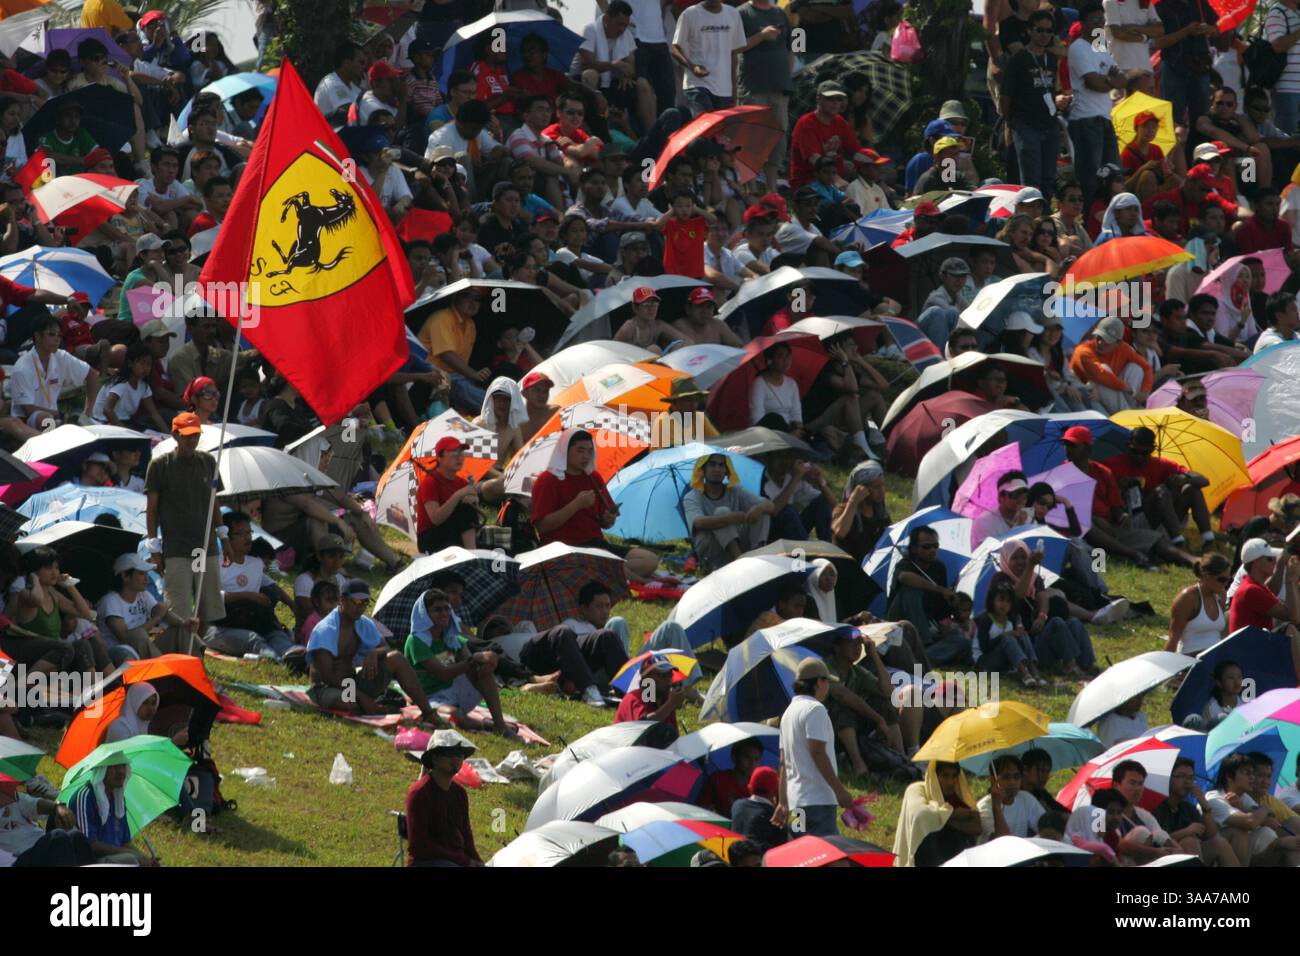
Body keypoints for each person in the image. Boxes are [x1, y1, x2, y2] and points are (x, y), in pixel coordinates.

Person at [306, 578, 441, 724]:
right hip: (327, 687)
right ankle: (377, 708)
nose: (361, 607)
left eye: (365, 602)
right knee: (350, 704)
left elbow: (387, 648)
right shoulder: (326, 630)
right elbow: (328, 677)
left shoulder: (363, 622)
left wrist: (374, 653)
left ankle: (428, 712)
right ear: (342, 600)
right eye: (356, 602)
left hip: (352, 682)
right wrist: (361, 697)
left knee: (395, 658)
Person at [145, 412, 223, 655]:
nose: (192, 440)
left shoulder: (208, 462)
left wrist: (224, 535)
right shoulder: (160, 465)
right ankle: (180, 655)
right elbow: (152, 509)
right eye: (187, 436)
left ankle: (194, 652)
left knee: (206, 605)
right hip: (176, 547)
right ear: (175, 435)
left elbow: (214, 501)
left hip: (205, 546)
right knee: (178, 608)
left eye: (196, 435)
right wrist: (154, 547)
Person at [405, 588, 510, 736]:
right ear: (425, 615)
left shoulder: (452, 638)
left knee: (483, 671)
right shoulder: (416, 641)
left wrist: (488, 661)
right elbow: (443, 674)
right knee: (455, 716)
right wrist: (476, 658)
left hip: (454, 690)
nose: (444, 613)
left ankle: (500, 724)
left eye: (447, 609)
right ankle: (487, 726)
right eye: (437, 610)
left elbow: (471, 664)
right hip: (430, 698)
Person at [773, 657, 854, 838]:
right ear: (819, 682)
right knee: (825, 854)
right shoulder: (815, 709)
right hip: (818, 801)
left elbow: (783, 762)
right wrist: (839, 791)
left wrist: (783, 801)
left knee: (800, 853)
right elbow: (817, 751)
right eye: (827, 682)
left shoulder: (787, 714)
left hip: (796, 805)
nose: (828, 688)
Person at [1102, 426, 1213, 547]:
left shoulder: (1161, 464)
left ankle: (1208, 539)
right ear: (1128, 446)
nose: (1139, 457)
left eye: (1144, 453)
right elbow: (1099, 493)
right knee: (1161, 491)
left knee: (1191, 488)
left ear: (1152, 450)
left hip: (1161, 519)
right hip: (1129, 520)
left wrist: (1183, 479)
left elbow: (1204, 480)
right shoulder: (1111, 464)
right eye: (1135, 452)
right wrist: (1118, 486)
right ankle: (1177, 542)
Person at [826, 628, 918, 768]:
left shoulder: (856, 672)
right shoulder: (826, 667)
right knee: (841, 708)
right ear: (837, 648)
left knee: (884, 703)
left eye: (859, 643)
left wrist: (874, 655)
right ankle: (858, 763)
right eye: (851, 643)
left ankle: (901, 757)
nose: (857, 647)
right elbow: (844, 696)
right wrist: (878, 719)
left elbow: (888, 692)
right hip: (828, 730)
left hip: (851, 728)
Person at [209, 511, 294, 661]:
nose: (247, 537)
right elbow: (211, 598)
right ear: (226, 538)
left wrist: (291, 605)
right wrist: (248, 595)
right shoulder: (215, 563)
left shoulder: (255, 564)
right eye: (240, 533)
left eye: (249, 532)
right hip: (222, 625)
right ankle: (276, 662)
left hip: (254, 620)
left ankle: (294, 658)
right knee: (254, 640)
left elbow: (273, 586)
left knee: (277, 635)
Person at [1069, 4, 1125, 208]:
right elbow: (1095, 83)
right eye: (1095, 20)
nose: (1100, 24)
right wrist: (1110, 80)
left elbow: (1122, 78)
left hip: (1105, 118)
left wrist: (1108, 80)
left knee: (1113, 175)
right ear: (1082, 23)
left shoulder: (1101, 46)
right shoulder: (1077, 48)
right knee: (1090, 178)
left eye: (1102, 20)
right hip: (1085, 120)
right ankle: (1087, 219)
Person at [1001, 9, 1061, 196]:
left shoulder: (1051, 58)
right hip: (1025, 123)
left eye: (1049, 31)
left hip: (1050, 123)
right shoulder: (1018, 59)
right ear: (1029, 31)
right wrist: (1010, 123)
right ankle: (1031, 218)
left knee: (1049, 177)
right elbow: (1005, 96)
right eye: (1040, 30)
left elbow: (1054, 88)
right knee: (1031, 178)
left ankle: (1045, 218)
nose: (1044, 35)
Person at [682, 452, 776, 571]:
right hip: (713, 552)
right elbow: (698, 523)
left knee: (762, 512)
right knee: (722, 512)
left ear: (727, 471)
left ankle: (757, 557)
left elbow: (770, 505)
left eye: (722, 465)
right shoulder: (692, 496)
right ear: (703, 470)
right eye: (712, 465)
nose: (717, 469)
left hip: (742, 547)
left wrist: (759, 508)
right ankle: (740, 562)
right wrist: (729, 518)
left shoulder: (735, 491)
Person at [406, 729, 482, 866]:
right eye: (450, 754)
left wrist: (478, 861)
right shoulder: (420, 793)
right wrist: (465, 861)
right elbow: (420, 846)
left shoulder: (460, 793)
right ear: (434, 758)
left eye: (460, 755)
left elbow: (466, 834)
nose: (456, 759)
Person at [10, 314, 100, 429]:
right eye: (51, 334)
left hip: (55, 417)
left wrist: (87, 412)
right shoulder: (22, 367)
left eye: (59, 335)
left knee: (65, 423)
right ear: (37, 336)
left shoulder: (61, 356)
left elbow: (92, 375)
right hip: (26, 421)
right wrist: (59, 415)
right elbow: (28, 409)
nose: (57, 339)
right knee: (46, 419)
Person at [70, 756, 157, 865]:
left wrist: (145, 858)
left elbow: (125, 842)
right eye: (115, 767)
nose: (121, 772)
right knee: (130, 860)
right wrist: (132, 854)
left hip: (117, 858)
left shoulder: (118, 800)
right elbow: (89, 845)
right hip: (91, 861)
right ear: (102, 770)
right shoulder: (85, 796)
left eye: (123, 766)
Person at [893, 760, 981, 866]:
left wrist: (945, 820)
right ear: (935, 776)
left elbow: (977, 826)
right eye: (945, 776)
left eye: (954, 776)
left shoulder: (957, 794)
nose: (950, 782)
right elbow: (921, 815)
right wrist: (953, 815)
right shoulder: (917, 789)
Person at [671, 0, 747, 115]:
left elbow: (733, 54)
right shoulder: (689, 14)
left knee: (719, 131)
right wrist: (692, 67)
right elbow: (675, 48)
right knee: (705, 128)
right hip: (697, 84)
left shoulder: (733, 14)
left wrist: (733, 92)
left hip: (724, 88)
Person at [1069, 316, 1152, 413]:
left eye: (1107, 340)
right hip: (1088, 393)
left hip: (1113, 392)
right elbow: (1101, 374)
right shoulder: (1083, 351)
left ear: (1118, 343)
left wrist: (1145, 392)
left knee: (1135, 368)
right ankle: (1129, 416)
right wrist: (1129, 389)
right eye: (1099, 337)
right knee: (1104, 369)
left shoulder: (1124, 348)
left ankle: (1132, 410)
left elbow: (1147, 367)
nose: (1100, 343)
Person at [414, 436, 481, 555]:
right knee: (464, 509)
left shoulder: (462, 483)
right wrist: (458, 496)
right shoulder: (430, 482)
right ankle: (473, 554)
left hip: (453, 533)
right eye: (454, 453)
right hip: (430, 537)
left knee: (469, 509)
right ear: (440, 458)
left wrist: (474, 501)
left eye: (461, 453)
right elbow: (435, 519)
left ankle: (473, 552)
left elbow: (473, 517)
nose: (459, 457)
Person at [1229, 538, 1300, 632]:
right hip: (1250, 645)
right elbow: (1293, 618)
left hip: (1257, 642)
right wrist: (1290, 579)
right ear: (1256, 563)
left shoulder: (1257, 586)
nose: (1275, 562)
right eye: (1270, 559)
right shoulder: (1251, 589)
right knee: (1290, 630)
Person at [1165, 553, 1230, 655]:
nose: (1225, 584)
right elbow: (1173, 638)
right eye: (1222, 580)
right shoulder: (1187, 598)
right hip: (1190, 657)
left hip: (1216, 656)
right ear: (1206, 576)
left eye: (1228, 580)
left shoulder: (1221, 595)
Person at [831, 459, 891, 563]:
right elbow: (840, 532)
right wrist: (853, 501)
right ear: (861, 489)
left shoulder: (880, 514)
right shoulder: (843, 510)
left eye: (883, 485)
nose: (882, 491)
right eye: (876, 487)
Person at [613, 653, 687, 734]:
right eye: (662, 675)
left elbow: (673, 737)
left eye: (670, 674)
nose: (668, 680)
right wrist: (670, 705)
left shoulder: (665, 699)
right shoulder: (634, 698)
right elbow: (642, 728)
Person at [978, 755, 1046, 840]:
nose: (1012, 782)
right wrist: (996, 806)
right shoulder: (984, 807)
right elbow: (1001, 841)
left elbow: (1047, 828)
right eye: (1006, 777)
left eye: (1016, 776)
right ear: (993, 780)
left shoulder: (1025, 798)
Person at [729, 765, 787, 849]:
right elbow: (787, 840)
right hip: (761, 859)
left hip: (735, 857)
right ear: (775, 791)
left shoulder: (737, 805)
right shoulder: (773, 816)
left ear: (750, 786)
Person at [613, 286, 683, 353]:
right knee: (653, 349)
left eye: (654, 304)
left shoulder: (658, 325)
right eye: (645, 304)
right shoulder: (628, 328)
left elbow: (685, 340)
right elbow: (612, 350)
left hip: (652, 363)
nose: (651, 308)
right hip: (631, 363)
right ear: (635, 308)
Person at [971, 471, 1031, 546]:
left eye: (1024, 495)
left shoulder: (1028, 521)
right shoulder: (984, 522)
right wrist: (1019, 529)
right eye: (1015, 495)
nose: (1020, 499)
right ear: (1001, 497)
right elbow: (992, 554)